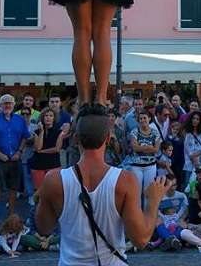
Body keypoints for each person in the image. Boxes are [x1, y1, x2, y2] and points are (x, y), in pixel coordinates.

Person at [35, 102, 171, 265]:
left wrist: (41, 199)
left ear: (75, 138)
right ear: (107, 139)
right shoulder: (125, 180)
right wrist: (153, 202)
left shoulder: (54, 180)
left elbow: (44, 228)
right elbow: (141, 240)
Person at [0, 94, 29, 214]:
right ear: (0, 105)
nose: (7, 105)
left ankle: (11, 214)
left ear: (14, 105)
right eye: (5, 103)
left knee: (13, 188)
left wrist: (19, 152)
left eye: (10, 103)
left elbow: (25, 137)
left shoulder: (20, 120)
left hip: (15, 159)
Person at [125, 111, 161, 199]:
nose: (142, 120)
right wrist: (149, 147)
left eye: (144, 118)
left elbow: (156, 150)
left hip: (150, 166)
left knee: (148, 192)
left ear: (149, 119)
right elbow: (135, 148)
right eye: (140, 118)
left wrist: (141, 147)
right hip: (136, 166)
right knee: (136, 192)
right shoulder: (134, 132)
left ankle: (147, 212)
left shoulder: (155, 132)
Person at [30, 109, 67, 189]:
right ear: (42, 118)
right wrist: (42, 131)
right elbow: (38, 147)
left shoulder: (59, 132)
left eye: (51, 116)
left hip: (53, 164)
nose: (48, 118)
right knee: (39, 191)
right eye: (46, 116)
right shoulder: (37, 131)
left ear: (54, 118)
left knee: (53, 190)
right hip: (38, 164)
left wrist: (42, 151)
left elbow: (57, 149)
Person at [182, 111, 201, 185]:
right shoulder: (187, 132)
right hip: (189, 162)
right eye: (194, 118)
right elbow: (187, 147)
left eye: (197, 119)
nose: (195, 120)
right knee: (188, 185)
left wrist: (196, 155)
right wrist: (193, 157)